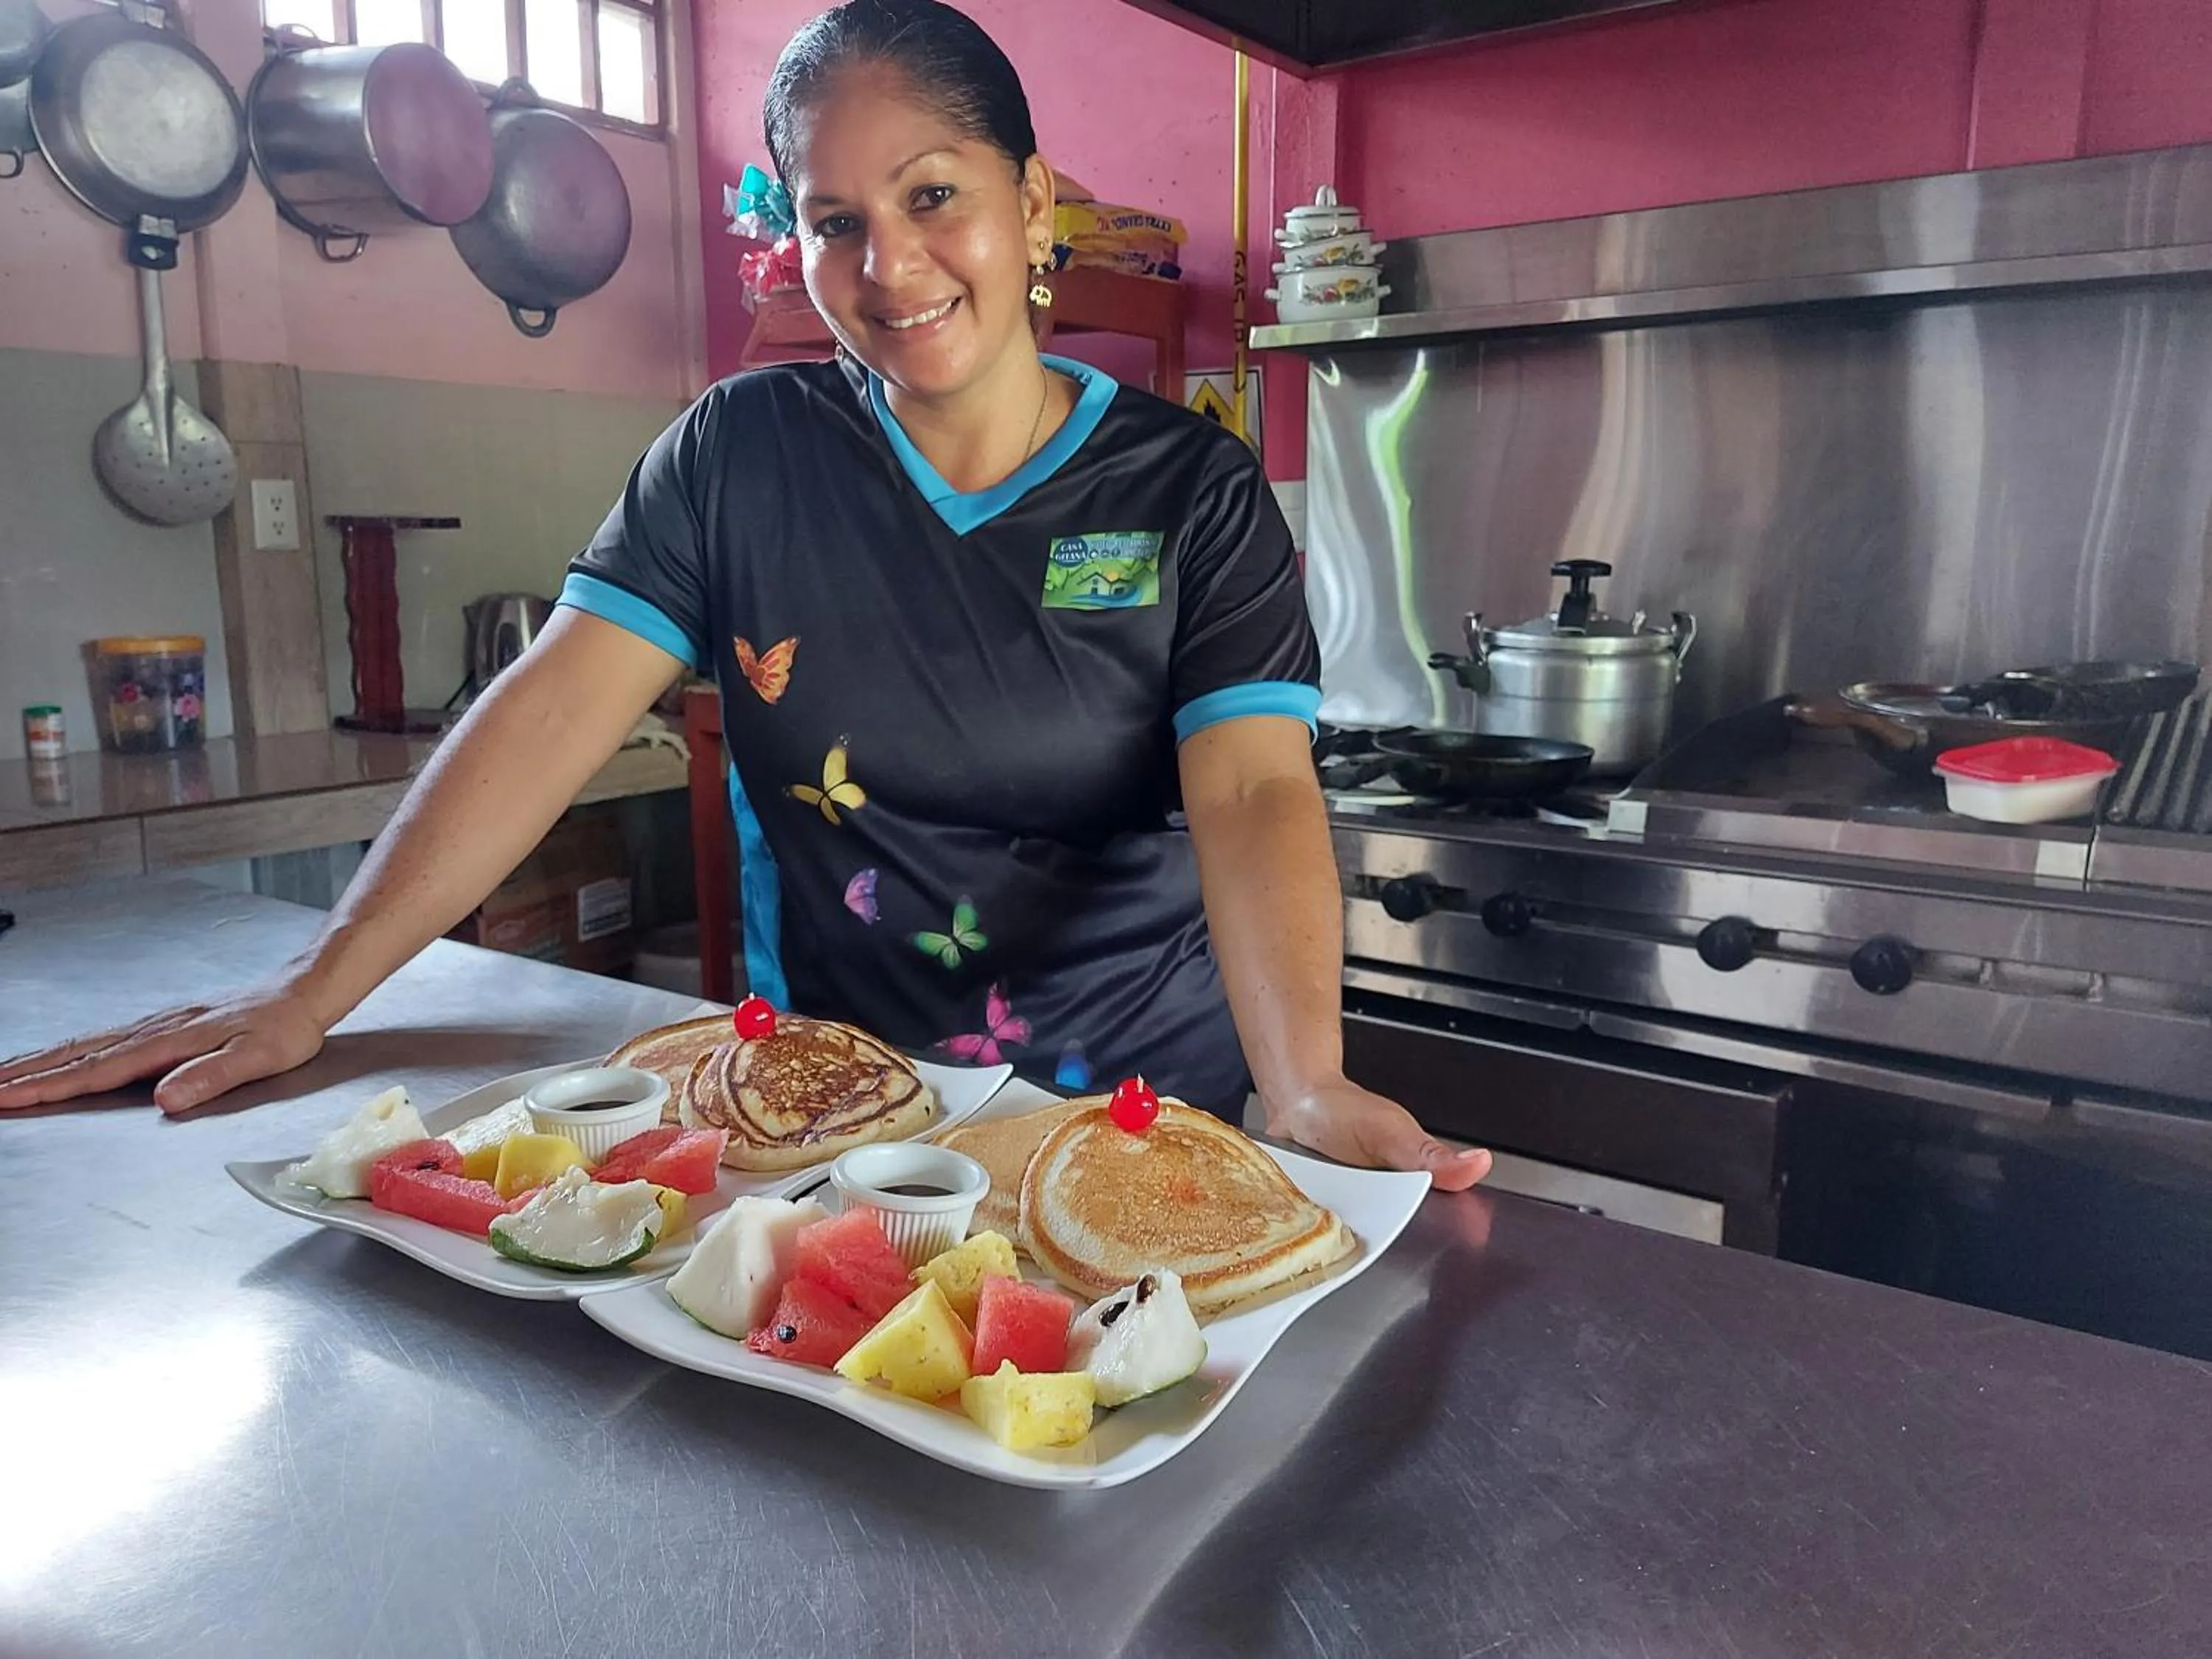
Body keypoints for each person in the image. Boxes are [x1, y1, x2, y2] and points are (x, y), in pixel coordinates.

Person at [0, 0, 1491, 1191]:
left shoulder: (1189, 490)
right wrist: (312, 992)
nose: (887, 264)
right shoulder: (738, 453)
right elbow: (550, 710)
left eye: (933, 198)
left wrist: (1304, 1081)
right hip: (828, 1120)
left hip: (1132, 1127)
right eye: (835, 220)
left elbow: (1249, 796)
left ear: (1034, 206)